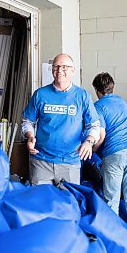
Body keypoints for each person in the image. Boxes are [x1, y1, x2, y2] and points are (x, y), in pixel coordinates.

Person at [22, 53, 100, 185]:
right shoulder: (40, 94)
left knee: (68, 204)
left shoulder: (82, 96)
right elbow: (27, 122)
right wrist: (30, 136)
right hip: (41, 161)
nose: (59, 71)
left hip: (70, 163)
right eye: (56, 67)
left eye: (64, 67)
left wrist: (89, 142)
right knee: (40, 204)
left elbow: (94, 125)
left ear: (72, 70)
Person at [91, 72, 127, 237]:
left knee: (111, 200)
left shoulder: (98, 106)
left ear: (97, 90)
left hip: (115, 153)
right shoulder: (121, 101)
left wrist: (91, 149)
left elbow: (101, 135)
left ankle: (113, 241)